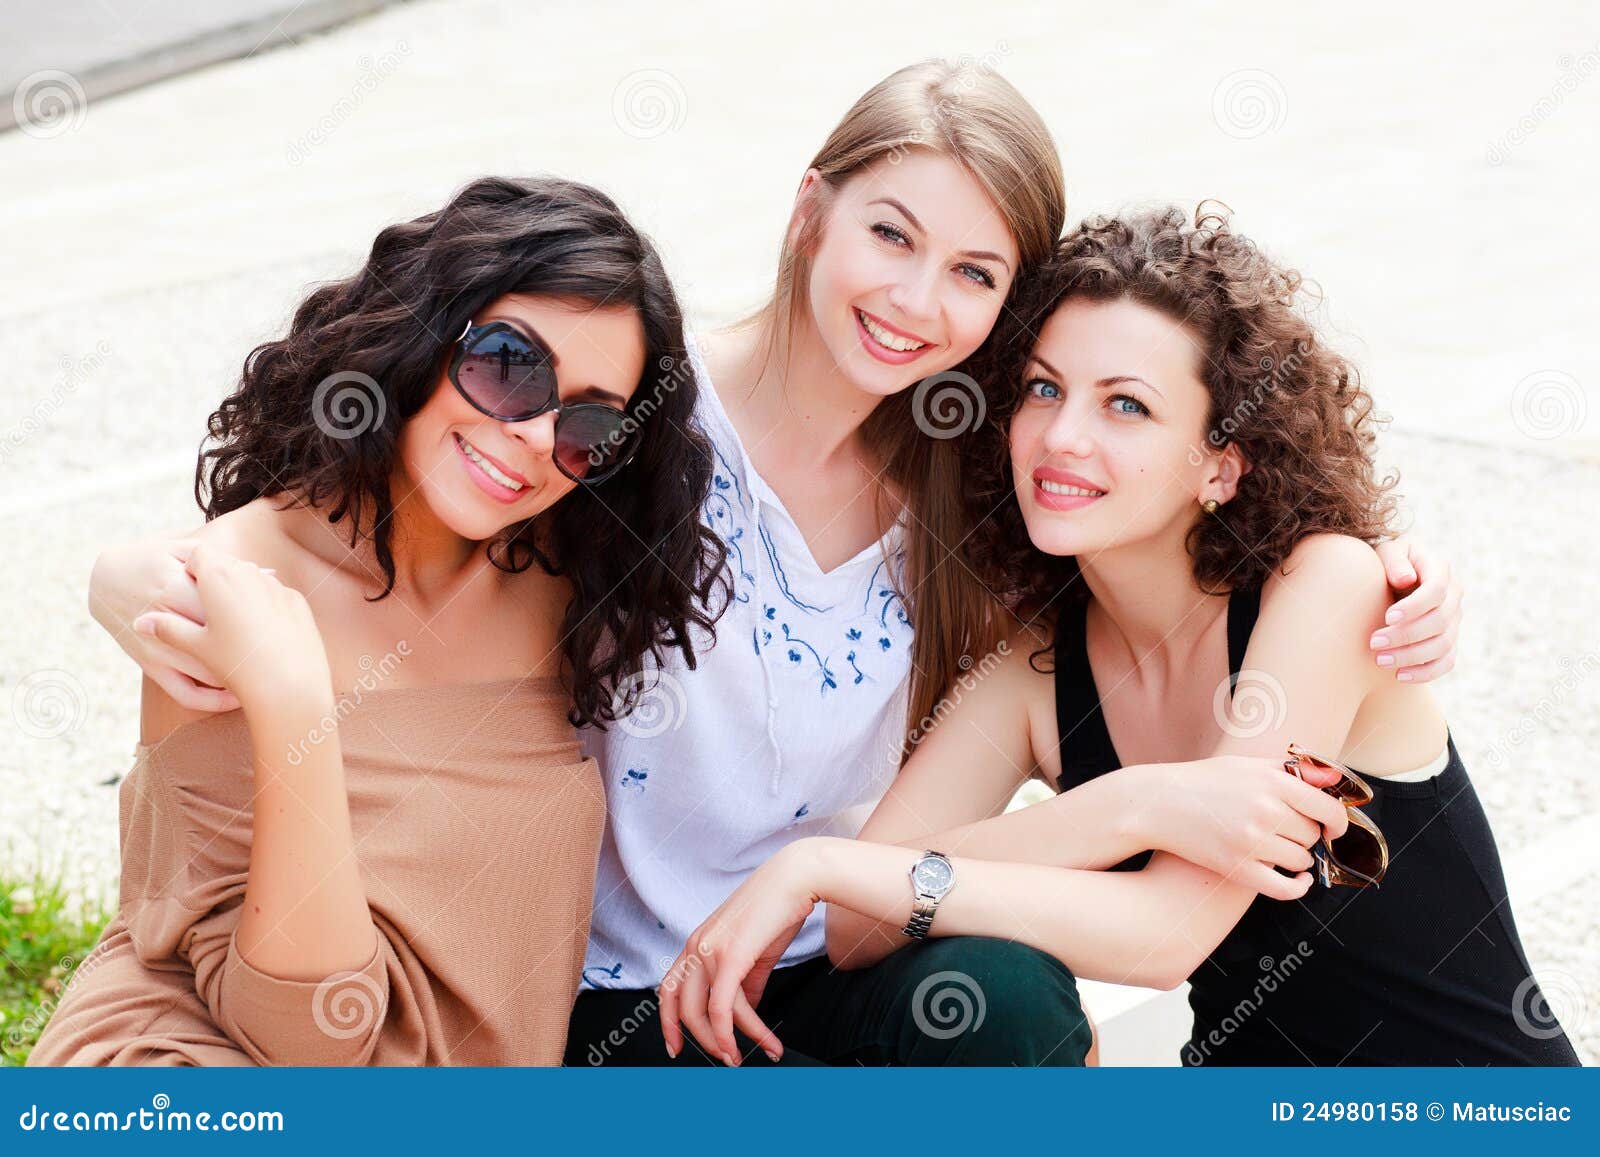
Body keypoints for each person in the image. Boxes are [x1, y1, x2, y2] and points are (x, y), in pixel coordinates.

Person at [82, 63, 1465, 1068]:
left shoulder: (977, 497)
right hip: (590, 1000)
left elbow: (1162, 522)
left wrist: (1377, 578)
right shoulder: (624, 422)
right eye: (891, 235)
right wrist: (135, 570)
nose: (918, 301)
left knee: (1001, 1000)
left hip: (816, 970)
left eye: (977, 275)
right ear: (813, 209)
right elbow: (388, 501)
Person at [661, 205, 1575, 1067]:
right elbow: (861, 931)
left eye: (1125, 405)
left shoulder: (1325, 588)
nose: (1063, 436)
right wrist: (1132, 805)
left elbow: (1164, 933)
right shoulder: (1031, 670)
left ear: (1222, 463)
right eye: (1044, 389)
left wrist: (830, 864)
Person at [29, 176, 725, 1066]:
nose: (535, 437)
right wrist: (292, 704)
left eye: (590, 420)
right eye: (509, 365)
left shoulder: (569, 578)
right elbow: (305, 1038)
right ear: (423, 337)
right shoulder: (226, 595)